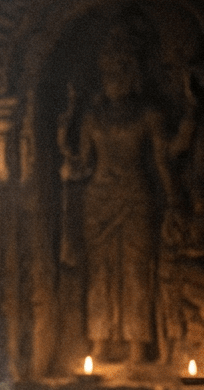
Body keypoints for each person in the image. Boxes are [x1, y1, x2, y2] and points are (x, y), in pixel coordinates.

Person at [58, 26, 195, 362]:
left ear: (133, 73)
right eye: (108, 72)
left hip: (136, 196)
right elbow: (81, 161)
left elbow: (165, 158)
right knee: (101, 271)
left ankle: (137, 345)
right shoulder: (92, 117)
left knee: (135, 270)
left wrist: (192, 113)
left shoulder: (149, 114)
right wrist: (67, 124)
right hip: (98, 199)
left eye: (120, 70)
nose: (112, 77)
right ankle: (100, 341)